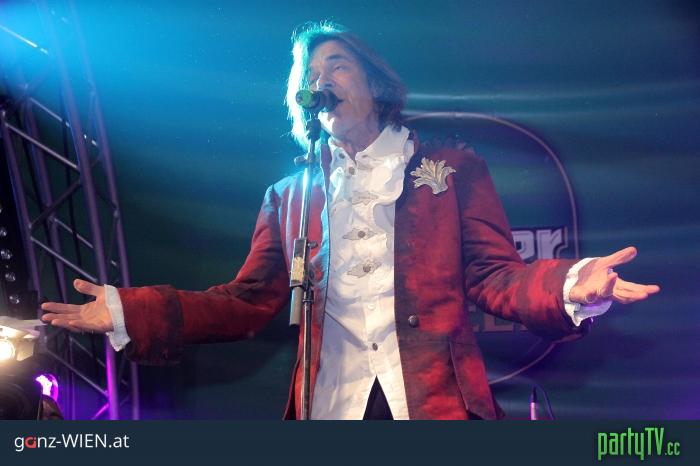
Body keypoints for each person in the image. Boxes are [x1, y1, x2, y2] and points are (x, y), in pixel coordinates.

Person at [41, 21, 660, 420]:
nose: (322, 79)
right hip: (331, 405)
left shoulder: (451, 171)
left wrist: (569, 283)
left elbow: (496, 277)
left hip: (433, 405)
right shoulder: (290, 197)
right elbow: (245, 303)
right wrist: (130, 310)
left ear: (373, 81)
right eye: (310, 75)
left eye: (336, 65)